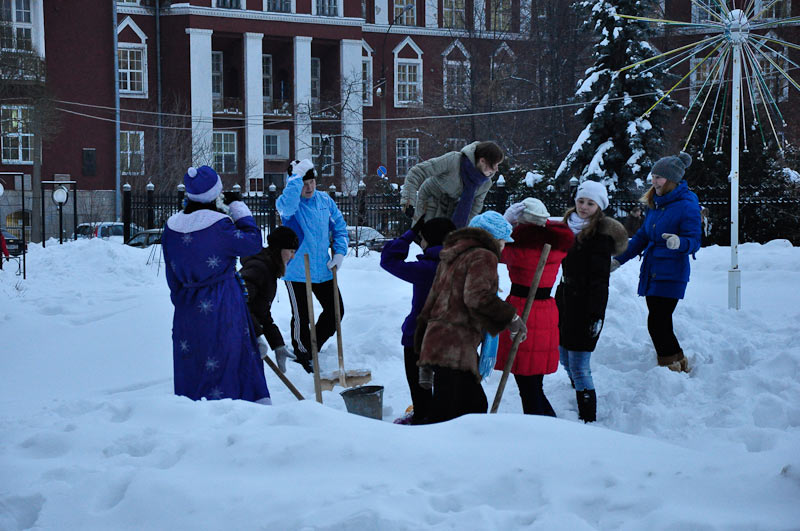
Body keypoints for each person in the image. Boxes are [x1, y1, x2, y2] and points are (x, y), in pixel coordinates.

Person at [161, 165, 270, 403]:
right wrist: (240, 210)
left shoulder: (170, 228)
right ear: (215, 194)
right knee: (228, 364)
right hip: (223, 307)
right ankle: (234, 419)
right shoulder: (220, 226)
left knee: (193, 367)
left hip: (186, 312)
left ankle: (192, 420)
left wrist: (184, 303)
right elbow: (253, 243)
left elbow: (172, 277)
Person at [416, 211, 526, 423]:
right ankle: (435, 452)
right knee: (458, 410)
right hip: (454, 345)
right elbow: (478, 297)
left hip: (443, 342)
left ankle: (450, 449)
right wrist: (511, 319)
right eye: (502, 242)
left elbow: (433, 300)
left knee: (461, 407)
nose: (503, 248)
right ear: (491, 239)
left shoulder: (454, 254)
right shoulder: (483, 256)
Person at [613, 152, 701, 373]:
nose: (654, 181)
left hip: (672, 271)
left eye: (659, 177)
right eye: (653, 176)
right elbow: (642, 236)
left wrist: (679, 242)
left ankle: (669, 365)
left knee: (657, 321)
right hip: (653, 269)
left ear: (672, 179)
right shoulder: (655, 202)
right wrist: (619, 260)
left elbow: (694, 240)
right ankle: (677, 360)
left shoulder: (687, 204)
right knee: (660, 321)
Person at [555, 181, 628, 422]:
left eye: (590, 203)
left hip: (586, 307)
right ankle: (577, 390)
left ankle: (588, 417)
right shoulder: (567, 228)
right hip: (565, 300)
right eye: (581, 201)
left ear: (599, 206)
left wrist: (595, 315)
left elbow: (600, 282)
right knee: (564, 356)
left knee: (579, 364)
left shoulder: (600, 237)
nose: (584, 207)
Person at [496, 198, 575, 416]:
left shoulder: (520, 249)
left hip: (523, 312)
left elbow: (490, 248)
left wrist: (504, 223)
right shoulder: (557, 246)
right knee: (534, 385)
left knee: (527, 387)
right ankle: (548, 427)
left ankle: (540, 433)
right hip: (546, 311)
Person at [380, 217, 457, 425]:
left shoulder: (426, 269)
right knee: (444, 385)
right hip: (451, 337)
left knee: (420, 385)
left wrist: (409, 234)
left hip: (419, 337)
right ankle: (442, 417)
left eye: (421, 239)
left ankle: (423, 418)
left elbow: (388, 260)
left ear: (428, 241)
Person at [277, 159, 349, 373]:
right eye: (303, 183)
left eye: (311, 182)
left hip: (323, 269)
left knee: (336, 311)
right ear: (294, 183)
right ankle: (302, 353)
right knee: (302, 316)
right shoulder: (289, 205)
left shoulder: (325, 200)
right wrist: (295, 181)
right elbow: (287, 205)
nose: (308, 187)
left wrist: (339, 253)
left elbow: (340, 228)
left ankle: (310, 346)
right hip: (297, 270)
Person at [400, 141, 504, 228]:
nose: (496, 169)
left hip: (454, 212)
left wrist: (462, 233)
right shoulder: (453, 160)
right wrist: (408, 202)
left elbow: (473, 210)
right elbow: (417, 172)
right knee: (426, 240)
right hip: (431, 201)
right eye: (495, 164)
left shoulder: (485, 183)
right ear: (482, 161)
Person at [239, 226, 299, 374]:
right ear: (279, 249)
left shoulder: (269, 269)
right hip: (238, 335)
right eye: (291, 251)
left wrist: (278, 345)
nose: (292, 257)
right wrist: (257, 335)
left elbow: (262, 312)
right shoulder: (259, 268)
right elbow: (238, 304)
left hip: (247, 333)